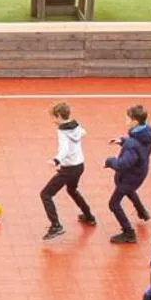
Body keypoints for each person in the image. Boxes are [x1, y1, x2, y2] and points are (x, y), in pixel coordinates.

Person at [40, 102, 96, 241]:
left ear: (59, 116)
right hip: (79, 166)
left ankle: (56, 225)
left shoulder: (62, 131)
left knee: (46, 194)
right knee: (72, 190)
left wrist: (56, 160)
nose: (53, 120)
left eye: (53, 117)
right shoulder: (76, 125)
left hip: (69, 168)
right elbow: (83, 132)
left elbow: (64, 149)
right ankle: (88, 216)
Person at [102, 105, 151, 244]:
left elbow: (123, 164)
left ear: (135, 122)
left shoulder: (132, 143)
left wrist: (109, 161)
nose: (125, 119)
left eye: (128, 118)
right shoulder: (147, 133)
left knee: (113, 204)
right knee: (130, 191)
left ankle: (128, 233)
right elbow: (137, 146)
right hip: (139, 173)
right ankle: (142, 212)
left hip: (129, 177)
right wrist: (122, 140)